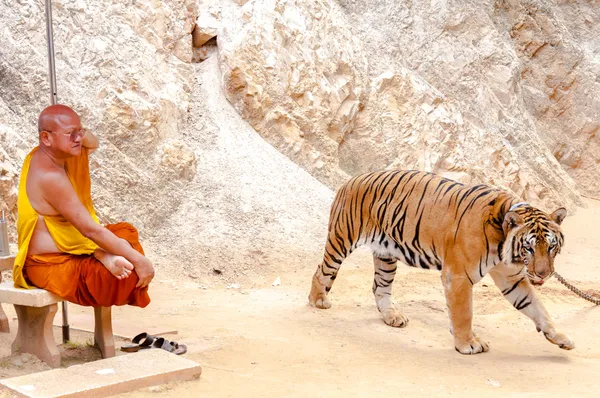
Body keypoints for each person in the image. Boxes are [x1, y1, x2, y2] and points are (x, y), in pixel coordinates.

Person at [13, 104, 154, 308]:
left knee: (126, 232)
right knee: (128, 275)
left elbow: (93, 142)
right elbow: (89, 230)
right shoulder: (49, 176)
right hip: (50, 263)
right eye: (70, 134)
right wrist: (142, 262)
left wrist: (74, 128)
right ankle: (100, 253)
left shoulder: (54, 155)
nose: (78, 139)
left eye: (80, 132)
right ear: (46, 138)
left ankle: (100, 253)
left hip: (74, 248)